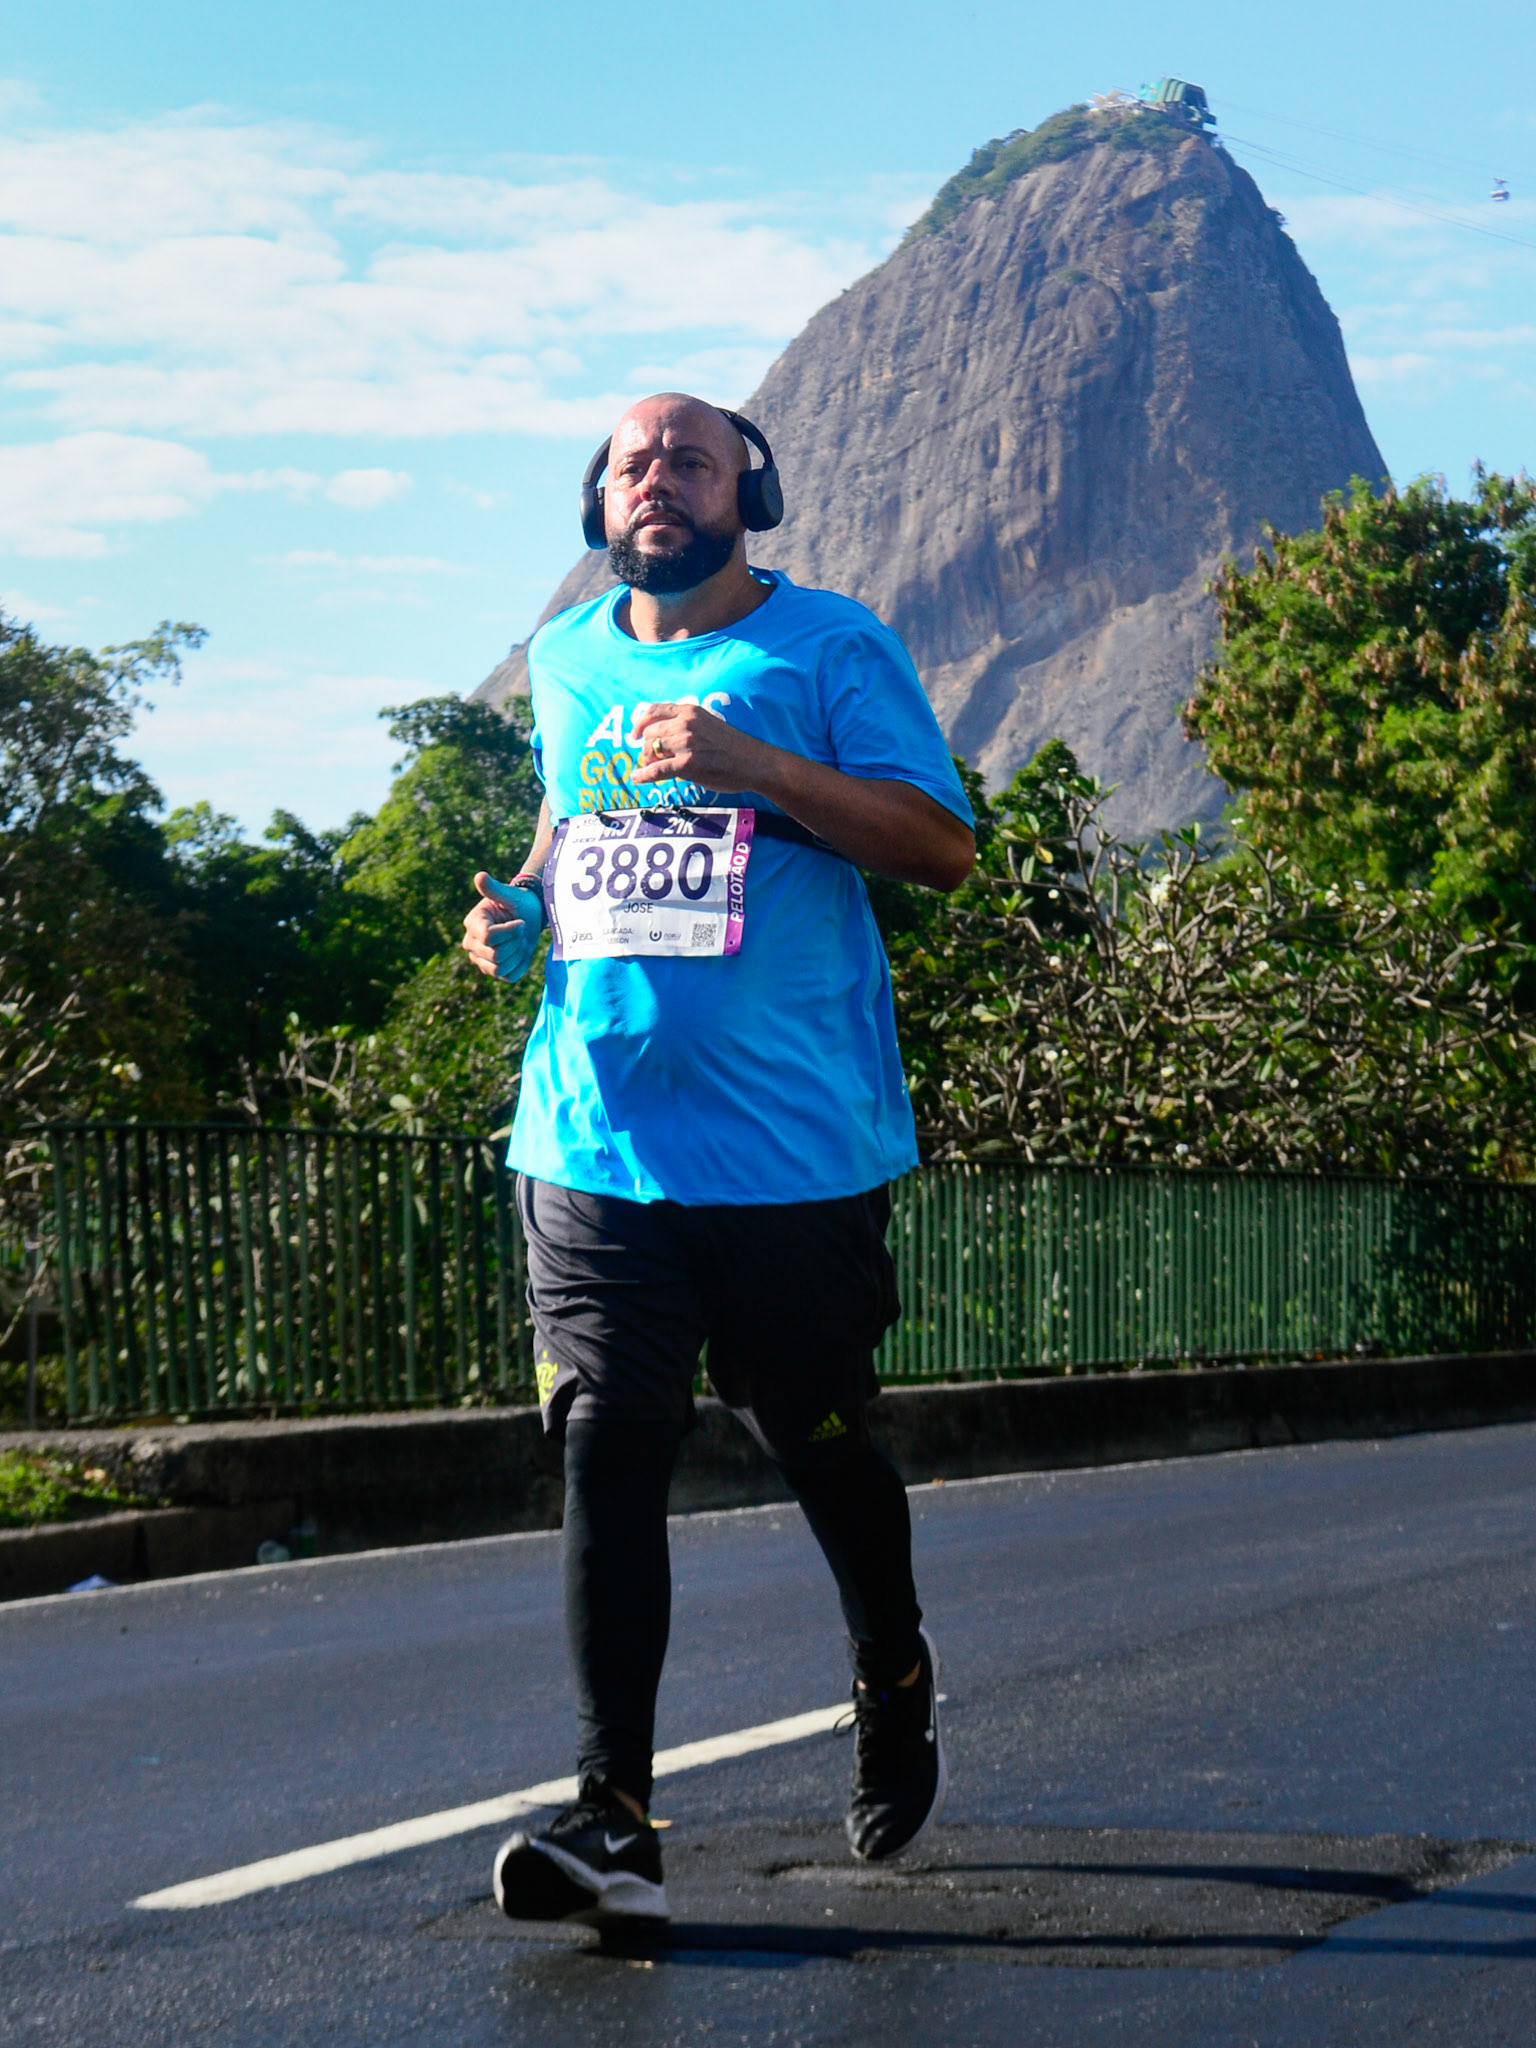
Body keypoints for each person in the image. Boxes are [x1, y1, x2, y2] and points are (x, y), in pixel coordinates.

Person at [461, 392, 976, 1925]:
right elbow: (572, 821)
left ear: (748, 488)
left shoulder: (828, 646)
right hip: (593, 1128)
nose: (656, 481)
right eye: (630, 463)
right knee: (608, 1432)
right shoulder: (568, 657)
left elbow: (938, 846)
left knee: (811, 1434)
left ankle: (891, 1664)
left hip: (792, 1147)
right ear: (596, 500)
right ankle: (613, 1815)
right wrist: (522, 909)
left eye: (688, 459)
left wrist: (753, 761)